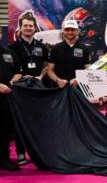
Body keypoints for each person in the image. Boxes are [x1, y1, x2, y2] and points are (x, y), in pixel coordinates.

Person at [7, 11, 48, 166]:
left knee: (38, 121)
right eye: (26, 26)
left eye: (31, 26)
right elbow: (11, 69)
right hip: (20, 88)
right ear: (20, 28)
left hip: (37, 87)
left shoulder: (42, 46)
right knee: (20, 121)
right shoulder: (13, 47)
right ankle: (20, 153)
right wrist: (21, 78)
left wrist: (40, 77)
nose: (29, 28)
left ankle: (39, 154)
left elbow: (45, 66)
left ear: (35, 28)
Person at [0, 28, 22, 171]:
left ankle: (4, 159)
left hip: (6, 100)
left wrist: (13, 81)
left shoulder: (9, 53)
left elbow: (18, 72)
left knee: (5, 131)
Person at [47, 20, 90, 88]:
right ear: (63, 31)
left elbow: (88, 68)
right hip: (59, 89)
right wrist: (58, 80)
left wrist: (79, 79)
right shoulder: (56, 48)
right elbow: (49, 70)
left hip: (78, 88)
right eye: (67, 29)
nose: (70, 32)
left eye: (73, 30)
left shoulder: (84, 48)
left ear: (77, 31)